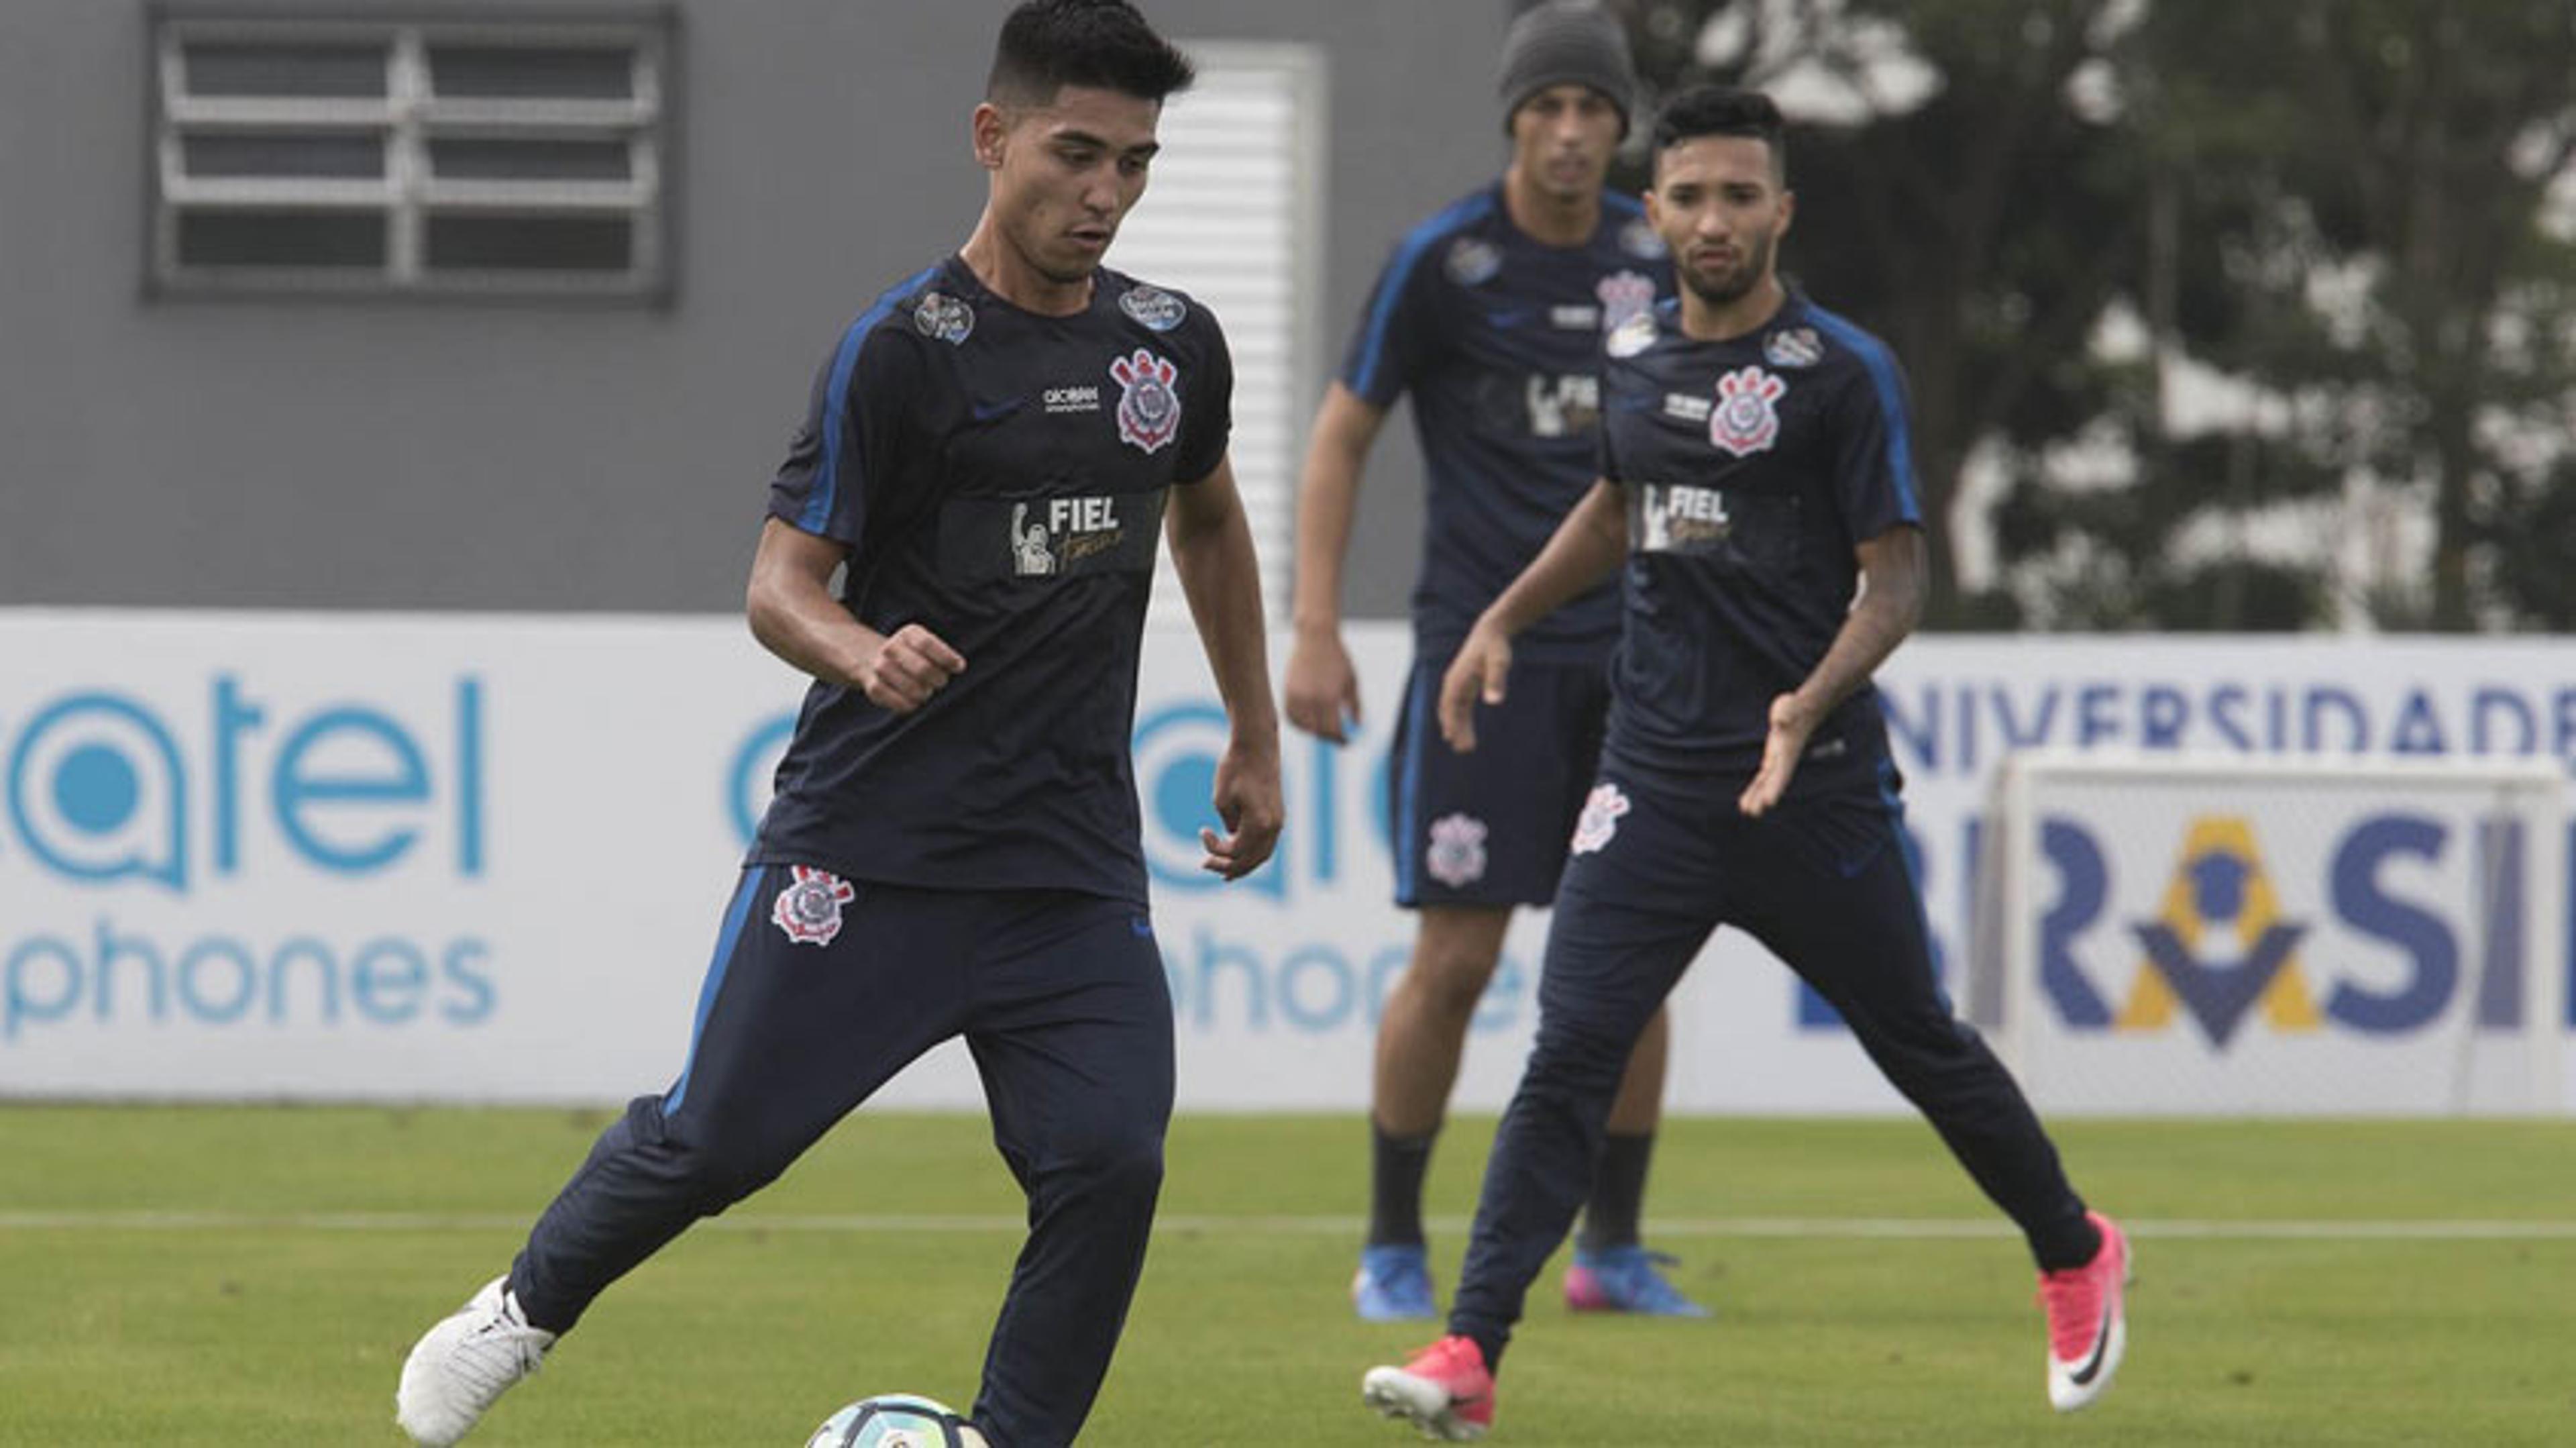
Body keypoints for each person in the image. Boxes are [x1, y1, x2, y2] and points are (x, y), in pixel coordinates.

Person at [392, 5, 1283, 1445]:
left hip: (1066, 867)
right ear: (993, 140)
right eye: (1076, 154)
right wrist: (867, 652)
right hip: (874, 848)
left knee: (1110, 1158)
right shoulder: (903, 349)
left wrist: (1253, 728)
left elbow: (1215, 520)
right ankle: (516, 1312)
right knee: (712, 1142)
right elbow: (778, 585)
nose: (1106, 194)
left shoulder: (1170, 348)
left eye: (1136, 162)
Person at [1358, 86, 2131, 1441]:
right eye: (1690, 196)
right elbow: (1614, 507)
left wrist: (1803, 701)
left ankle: (2072, 1248)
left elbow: (1894, 586)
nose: (1713, 219)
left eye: (1740, 195)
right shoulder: (1639, 348)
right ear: (1652, 212)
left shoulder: (1844, 372)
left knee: (1920, 1043)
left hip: (1810, 789)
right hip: (1650, 782)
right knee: (1566, 1054)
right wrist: (1502, 617)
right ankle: (1472, 1347)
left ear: (1782, 210)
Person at [1284, 0, 1704, 1325]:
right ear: (1515, 118)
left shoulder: (1655, 257)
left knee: (1630, 961)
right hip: (1488, 662)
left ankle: (1613, 1249)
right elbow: (1341, 434)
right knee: (1457, 959)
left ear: (1619, 123)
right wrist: (1313, 624)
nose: (1574, 131)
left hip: (1639, 667)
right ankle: (1394, 1239)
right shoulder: (1445, 261)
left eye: (1595, 108)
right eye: (1551, 107)